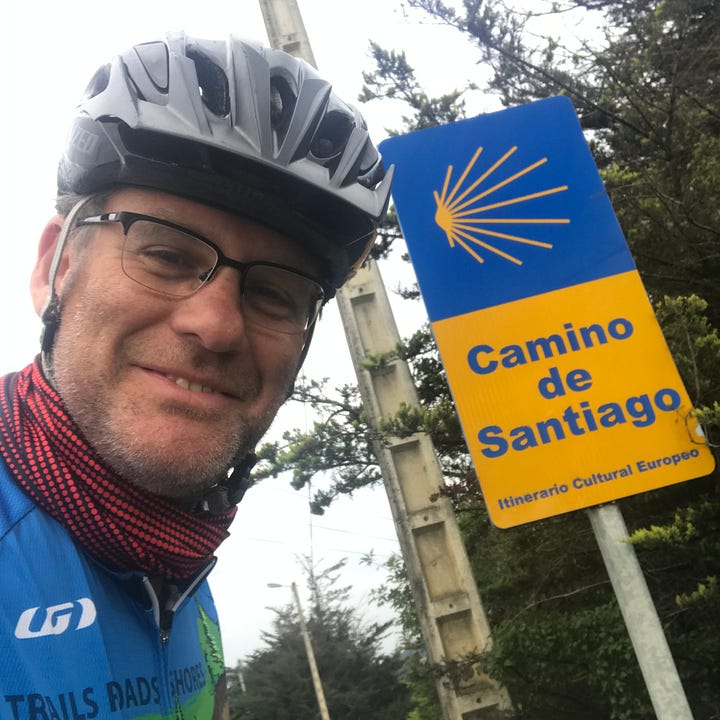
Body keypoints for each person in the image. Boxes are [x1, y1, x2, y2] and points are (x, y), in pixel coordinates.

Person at [0, 32, 392, 719]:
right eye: (165, 254)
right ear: (55, 268)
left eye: (274, 292)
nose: (216, 326)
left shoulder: (175, 558)